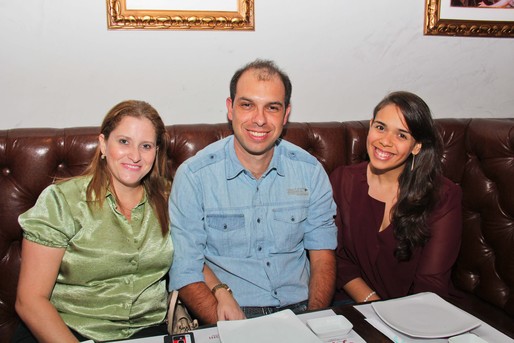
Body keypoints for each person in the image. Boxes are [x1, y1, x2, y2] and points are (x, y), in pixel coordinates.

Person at [169, 59, 337, 324]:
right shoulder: (194, 176)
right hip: (232, 313)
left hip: (302, 307)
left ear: (286, 114)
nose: (259, 119)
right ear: (230, 109)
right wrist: (229, 329)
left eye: (272, 107)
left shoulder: (310, 171)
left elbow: (322, 254)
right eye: (247, 105)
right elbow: (185, 269)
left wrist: (314, 321)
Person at [14, 100, 173, 342]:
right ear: (103, 144)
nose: (135, 155)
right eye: (123, 142)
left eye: (146, 146)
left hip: (147, 332)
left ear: (156, 152)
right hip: (67, 332)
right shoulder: (62, 201)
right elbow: (30, 301)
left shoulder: (170, 198)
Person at [330, 91, 462, 305]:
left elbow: (430, 284)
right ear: (371, 125)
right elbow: (336, 257)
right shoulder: (342, 180)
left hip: (418, 309)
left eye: (402, 135)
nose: (385, 142)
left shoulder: (443, 196)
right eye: (380, 127)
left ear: (417, 146)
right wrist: (373, 303)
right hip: (354, 303)